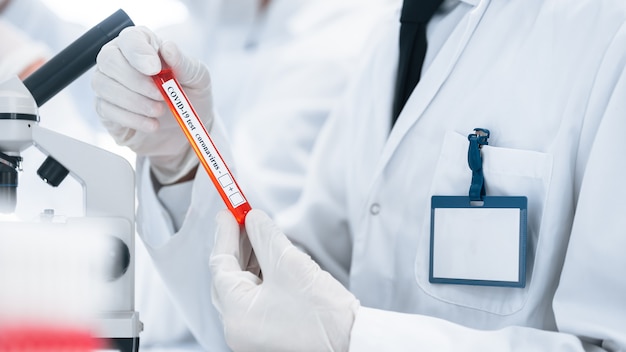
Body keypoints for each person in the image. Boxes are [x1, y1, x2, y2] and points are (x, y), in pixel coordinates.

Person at [93, 0, 626, 350]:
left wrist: (357, 337)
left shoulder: (606, 31)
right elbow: (284, 297)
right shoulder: (399, 31)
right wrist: (185, 160)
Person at [92, 0, 398, 350]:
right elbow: (248, 297)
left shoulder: (338, 44)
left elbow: (266, 297)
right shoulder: (210, 26)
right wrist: (178, 164)